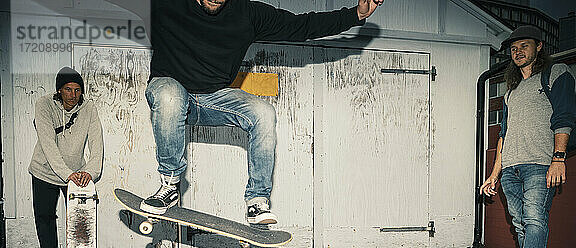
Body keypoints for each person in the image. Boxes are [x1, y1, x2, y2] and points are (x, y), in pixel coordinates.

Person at [108, 0, 383, 223]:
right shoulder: (164, 4)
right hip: (171, 88)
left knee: (262, 112)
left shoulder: (249, 13)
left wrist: (355, 14)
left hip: (213, 99)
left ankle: (257, 201)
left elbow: (302, 25)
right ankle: (169, 185)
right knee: (169, 96)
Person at [480, 26, 576, 248]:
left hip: (539, 163)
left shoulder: (555, 73)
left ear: (539, 47)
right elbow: (504, 135)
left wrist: (558, 158)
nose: (518, 52)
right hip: (511, 168)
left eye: (524, 46)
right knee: (521, 225)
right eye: (513, 48)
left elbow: (564, 117)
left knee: (535, 220)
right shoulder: (511, 91)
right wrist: (494, 174)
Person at [29, 67, 104, 248]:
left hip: (76, 171)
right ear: (59, 90)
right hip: (44, 169)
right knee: (45, 215)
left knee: (81, 214)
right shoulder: (44, 105)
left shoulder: (89, 108)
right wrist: (66, 173)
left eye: (78, 90)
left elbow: (97, 145)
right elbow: (47, 143)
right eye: (68, 89)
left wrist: (90, 172)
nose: (73, 95)